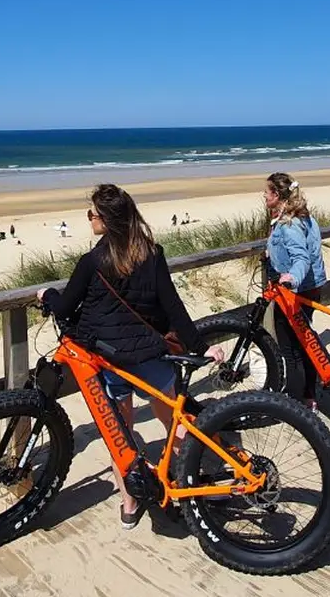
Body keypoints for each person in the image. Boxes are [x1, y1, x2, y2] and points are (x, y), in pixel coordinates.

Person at [38, 184, 224, 530]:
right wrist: (199, 346)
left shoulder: (92, 262)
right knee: (174, 425)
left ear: (106, 220)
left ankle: (130, 502)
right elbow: (173, 306)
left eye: (92, 214)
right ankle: (192, 483)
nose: (89, 219)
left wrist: (47, 294)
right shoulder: (151, 253)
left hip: (111, 363)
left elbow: (64, 307)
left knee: (119, 435)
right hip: (152, 356)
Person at [263, 172, 327, 409]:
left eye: (267, 192)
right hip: (312, 286)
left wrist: (291, 278)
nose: (263, 196)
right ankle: (309, 395)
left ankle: (296, 402)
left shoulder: (288, 224)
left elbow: (301, 258)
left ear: (276, 195)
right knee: (306, 341)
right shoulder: (302, 216)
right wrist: (271, 252)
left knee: (290, 348)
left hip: (296, 291)